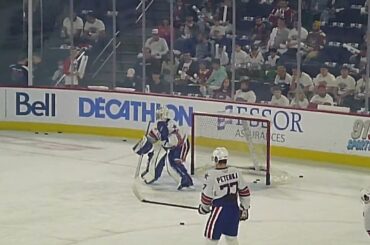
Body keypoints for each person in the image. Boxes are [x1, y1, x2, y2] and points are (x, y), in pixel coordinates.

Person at [198, 147, 250, 245]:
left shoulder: (211, 175)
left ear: (216, 159)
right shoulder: (236, 171)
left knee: (211, 239)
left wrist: (203, 208)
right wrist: (244, 208)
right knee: (231, 238)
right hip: (234, 210)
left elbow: (206, 197)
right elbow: (245, 192)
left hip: (219, 211)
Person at [133, 107, 193, 190]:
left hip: (182, 145)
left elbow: (173, 141)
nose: (157, 116)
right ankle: (153, 173)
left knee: (175, 161)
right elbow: (152, 137)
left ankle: (186, 180)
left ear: (163, 115)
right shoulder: (161, 125)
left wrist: (163, 143)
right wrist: (144, 145)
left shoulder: (168, 125)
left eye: (159, 114)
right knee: (158, 157)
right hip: (173, 146)